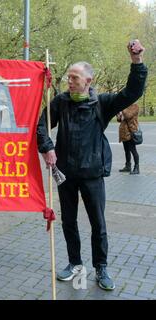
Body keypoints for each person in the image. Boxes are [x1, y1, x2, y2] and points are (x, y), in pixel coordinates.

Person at [37, 40, 147, 291]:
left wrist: (136, 62)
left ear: (88, 81)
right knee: (68, 222)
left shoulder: (103, 103)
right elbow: (41, 123)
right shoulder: (61, 101)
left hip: (92, 175)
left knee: (98, 223)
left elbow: (132, 92)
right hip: (64, 174)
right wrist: (47, 146)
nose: (70, 81)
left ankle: (101, 268)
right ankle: (75, 263)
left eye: (75, 77)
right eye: (68, 78)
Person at [117, 103, 140, 174]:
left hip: (131, 132)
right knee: (126, 150)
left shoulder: (135, 106)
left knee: (133, 150)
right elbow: (120, 120)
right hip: (124, 132)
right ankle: (128, 166)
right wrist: (119, 115)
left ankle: (136, 168)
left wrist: (122, 109)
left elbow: (128, 115)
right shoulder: (126, 106)